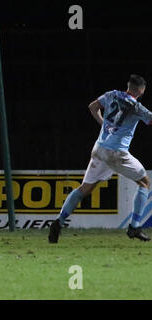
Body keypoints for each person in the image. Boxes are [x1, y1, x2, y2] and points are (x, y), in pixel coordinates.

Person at [49, 74, 152, 243]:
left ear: (128, 86)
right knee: (144, 182)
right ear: (141, 91)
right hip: (117, 153)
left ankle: (58, 222)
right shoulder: (137, 107)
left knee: (84, 189)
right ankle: (134, 227)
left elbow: (92, 106)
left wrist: (103, 123)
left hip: (100, 148)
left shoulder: (111, 94)